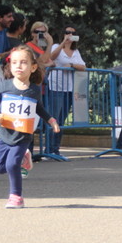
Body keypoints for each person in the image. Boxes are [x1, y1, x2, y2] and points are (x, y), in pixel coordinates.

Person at [0, 45, 60, 208]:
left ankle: (16, 197)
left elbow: (39, 108)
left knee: (11, 165)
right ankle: (24, 158)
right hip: (4, 134)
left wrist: (51, 120)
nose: (18, 66)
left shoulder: (34, 90)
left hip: (22, 135)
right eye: (14, 63)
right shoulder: (4, 86)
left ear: (33, 67)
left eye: (23, 62)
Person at [45, 25, 86, 156]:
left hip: (69, 88)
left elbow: (83, 66)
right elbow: (51, 57)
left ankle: (55, 149)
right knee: (54, 118)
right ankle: (48, 149)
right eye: (67, 32)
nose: (70, 35)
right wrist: (63, 42)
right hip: (56, 87)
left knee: (62, 120)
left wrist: (72, 65)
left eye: (72, 33)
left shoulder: (76, 51)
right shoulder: (56, 46)